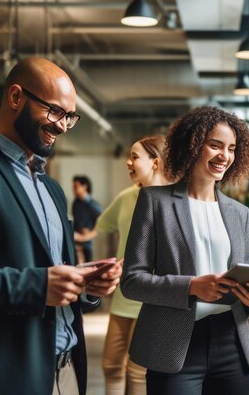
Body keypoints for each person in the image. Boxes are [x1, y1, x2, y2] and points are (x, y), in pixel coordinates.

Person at [0, 57, 122, 395]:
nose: (64, 126)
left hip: (66, 371)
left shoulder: (52, 189)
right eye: (55, 111)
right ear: (15, 97)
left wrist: (85, 285)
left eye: (70, 116)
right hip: (3, 376)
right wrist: (36, 286)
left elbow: (53, 276)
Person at [121, 106, 249, 395]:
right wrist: (191, 286)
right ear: (192, 145)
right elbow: (132, 281)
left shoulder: (240, 214)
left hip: (232, 344)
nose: (224, 156)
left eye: (231, 148)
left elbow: (246, 286)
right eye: (215, 145)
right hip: (175, 345)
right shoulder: (155, 202)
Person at [93, 136, 170, 395]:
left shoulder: (175, 201)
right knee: (111, 365)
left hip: (153, 298)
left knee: (138, 372)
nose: (128, 162)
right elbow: (100, 226)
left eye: (135, 157)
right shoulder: (126, 198)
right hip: (123, 294)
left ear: (155, 162)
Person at [72, 175, 103, 264]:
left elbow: (103, 222)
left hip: (87, 245)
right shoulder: (76, 203)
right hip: (76, 244)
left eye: (76, 186)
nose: (73, 189)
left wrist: (88, 234)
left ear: (84, 186)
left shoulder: (94, 205)